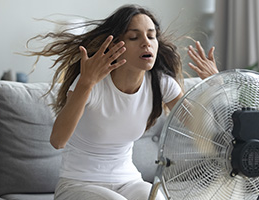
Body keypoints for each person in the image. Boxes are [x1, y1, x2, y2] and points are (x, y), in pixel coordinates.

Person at [26, 4, 218, 200]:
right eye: (134, 37)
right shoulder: (91, 82)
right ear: (115, 45)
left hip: (128, 181)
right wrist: (86, 83)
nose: (146, 43)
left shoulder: (161, 84)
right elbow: (57, 141)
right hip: (79, 184)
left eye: (151, 36)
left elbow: (203, 131)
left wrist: (216, 86)